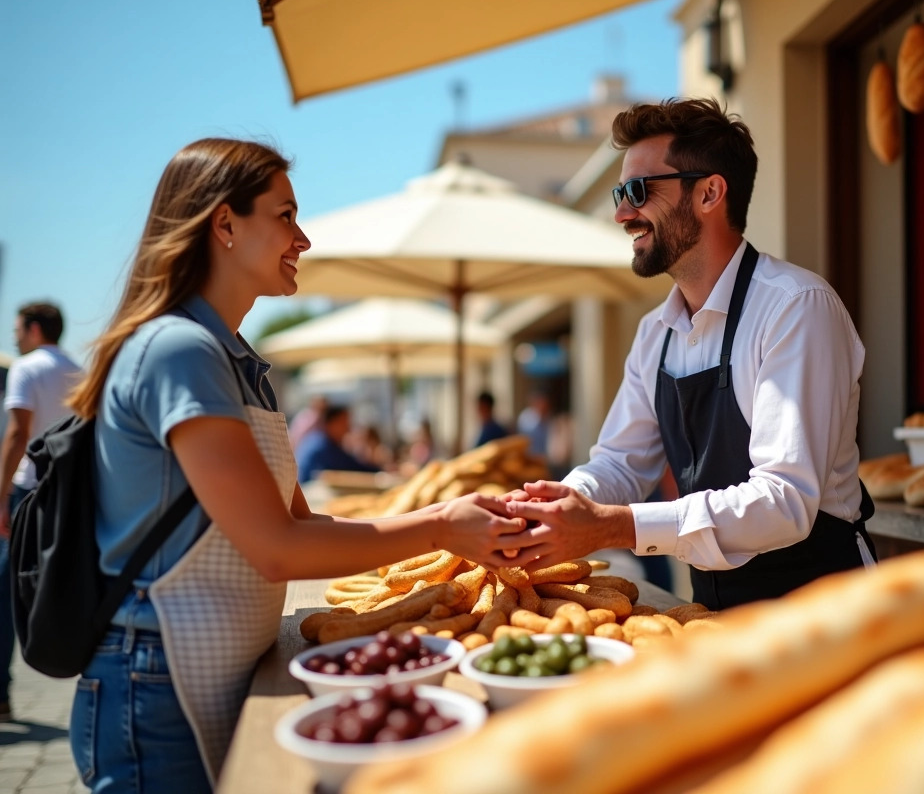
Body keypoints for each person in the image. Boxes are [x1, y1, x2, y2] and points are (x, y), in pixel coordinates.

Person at [64, 138, 528, 792]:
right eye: (285, 215)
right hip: (153, 680)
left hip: (201, 668)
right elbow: (278, 548)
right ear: (224, 224)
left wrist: (445, 530)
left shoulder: (233, 358)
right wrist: (442, 528)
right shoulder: (179, 351)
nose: (302, 238)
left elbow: (301, 524)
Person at [505, 98, 876, 611]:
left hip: (826, 603)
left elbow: (784, 501)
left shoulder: (796, 307)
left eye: (637, 190)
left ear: (709, 192)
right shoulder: (654, 331)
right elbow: (620, 462)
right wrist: (561, 502)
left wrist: (615, 526)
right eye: (619, 192)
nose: (621, 213)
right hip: (711, 606)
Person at [0, 301, 81, 723]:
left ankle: (0, 692)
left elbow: (18, 434)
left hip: (29, 490)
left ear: (33, 329)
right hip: (68, 490)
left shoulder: (26, 367)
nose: (13, 335)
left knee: (6, 591)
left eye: (16, 328)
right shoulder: (78, 369)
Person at [295, 404, 382, 482]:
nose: (348, 427)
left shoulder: (320, 439)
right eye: (344, 422)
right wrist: (379, 471)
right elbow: (350, 467)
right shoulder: (323, 445)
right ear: (333, 423)